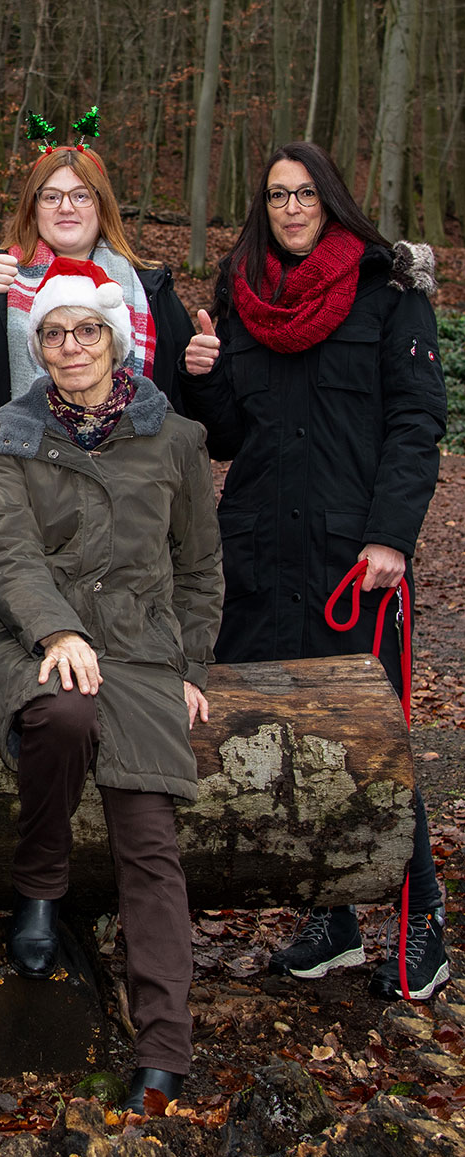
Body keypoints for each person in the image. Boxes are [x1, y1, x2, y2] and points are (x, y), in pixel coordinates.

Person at [181, 142, 450, 1000]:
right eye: (276, 195)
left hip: (353, 559)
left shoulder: (388, 291)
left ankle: (421, 921)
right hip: (260, 551)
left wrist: (391, 539)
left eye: (305, 193)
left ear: (330, 200)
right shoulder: (243, 293)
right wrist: (203, 378)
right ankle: (332, 920)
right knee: (291, 735)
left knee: (379, 745)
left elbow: (416, 424)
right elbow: (227, 437)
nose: (291, 208)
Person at [0, 256, 223, 1114]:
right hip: (28, 637)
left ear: (116, 338)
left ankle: (164, 1045)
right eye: (53, 333)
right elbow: (9, 551)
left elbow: (200, 569)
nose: (71, 346)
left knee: (150, 838)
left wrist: (186, 666)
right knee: (66, 713)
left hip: (144, 653)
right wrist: (58, 628)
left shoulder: (175, 439)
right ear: (35, 344)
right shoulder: (7, 431)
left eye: (86, 330)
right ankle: (38, 891)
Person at [0, 143, 197, 419]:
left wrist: (199, 374)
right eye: (51, 197)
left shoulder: (150, 289)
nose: (66, 208)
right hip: (16, 459)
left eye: (81, 196)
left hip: (131, 457)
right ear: (33, 209)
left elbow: (193, 410)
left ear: (102, 205)